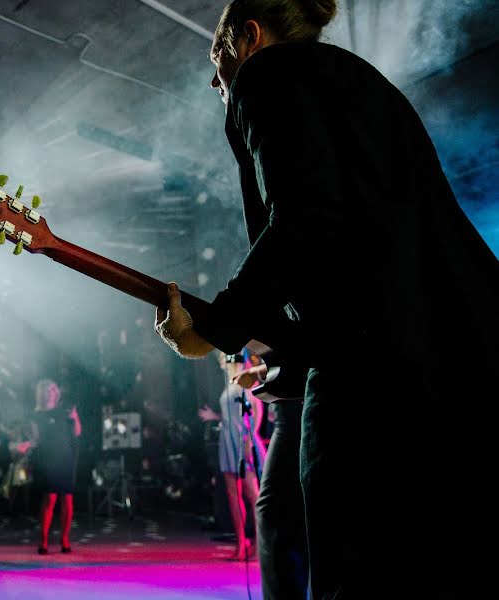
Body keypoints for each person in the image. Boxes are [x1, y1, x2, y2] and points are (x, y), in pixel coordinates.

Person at [154, 0, 498, 596]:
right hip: (466, 362)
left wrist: (215, 328)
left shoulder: (267, 76)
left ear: (249, 37)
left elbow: (307, 221)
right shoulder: (366, 84)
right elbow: (352, 247)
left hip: (380, 378)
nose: (217, 81)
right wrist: (274, 340)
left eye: (219, 59)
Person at [232, 359, 308, 599]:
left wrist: (257, 371)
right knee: (289, 514)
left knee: (273, 511)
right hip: (293, 410)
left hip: (296, 412)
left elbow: (297, 355)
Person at [198, 352, 265, 560]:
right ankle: (240, 543)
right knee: (232, 495)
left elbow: (257, 412)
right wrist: (214, 416)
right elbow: (230, 414)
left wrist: (247, 440)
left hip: (242, 441)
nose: (221, 362)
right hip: (227, 440)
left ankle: (258, 544)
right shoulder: (229, 384)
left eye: (224, 358)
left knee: (251, 494)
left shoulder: (247, 382)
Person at [16, 379, 81, 555]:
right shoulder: (34, 415)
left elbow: (77, 432)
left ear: (56, 393)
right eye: (46, 390)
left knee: (67, 499)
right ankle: (43, 541)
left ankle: (65, 540)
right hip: (46, 459)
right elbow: (36, 439)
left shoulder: (65, 411)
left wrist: (75, 419)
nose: (50, 393)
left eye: (53, 390)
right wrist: (26, 445)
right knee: (49, 498)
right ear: (40, 394)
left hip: (66, 458)